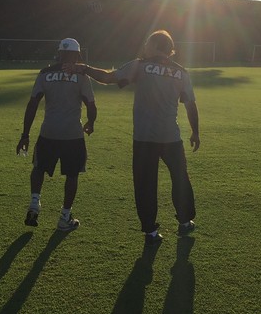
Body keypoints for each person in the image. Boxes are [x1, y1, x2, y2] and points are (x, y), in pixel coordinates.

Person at [65, 30, 199, 245]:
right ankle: (185, 222)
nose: (144, 46)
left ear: (155, 45)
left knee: (145, 184)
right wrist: (195, 132)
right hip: (171, 137)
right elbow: (190, 104)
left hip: (145, 138)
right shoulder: (181, 72)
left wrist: (85, 69)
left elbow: (109, 78)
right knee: (180, 179)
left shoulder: (141, 65)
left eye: (147, 43)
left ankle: (151, 233)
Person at [16, 38, 97, 231]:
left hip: (48, 132)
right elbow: (91, 104)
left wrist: (25, 134)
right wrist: (91, 122)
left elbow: (33, 104)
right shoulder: (81, 76)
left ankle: (35, 204)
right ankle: (64, 217)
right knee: (72, 175)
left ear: (59, 53)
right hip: (72, 134)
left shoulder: (45, 73)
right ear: (77, 55)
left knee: (38, 168)